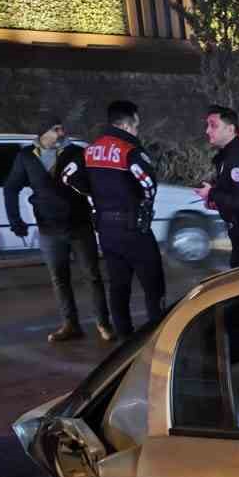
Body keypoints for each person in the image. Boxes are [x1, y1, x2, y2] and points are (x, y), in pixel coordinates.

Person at [4, 119, 113, 343]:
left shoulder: (76, 153)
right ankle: (70, 325)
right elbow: (11, 187)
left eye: (63, 128)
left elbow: (96, 185)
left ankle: (103, 323)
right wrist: (15, 221)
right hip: (49, 229)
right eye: (56, 129)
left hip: (80, 225)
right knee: (59, 279)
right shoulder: (27, 157)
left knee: (92, 276)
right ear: (43, 132)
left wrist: (100, 213)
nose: (62, 133)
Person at [66, 100, 163, 338]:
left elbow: (68, 176)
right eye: (137, 124)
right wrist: (144, 202)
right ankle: (158, 336)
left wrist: (92, 193)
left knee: (119, 286)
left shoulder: (90, 150)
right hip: (133, 228)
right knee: (153, 285)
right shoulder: (129, 150)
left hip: (107, 230)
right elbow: (148, 183)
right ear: (128, 123)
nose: (138, 129)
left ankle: (124, 339)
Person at [198, 106, 239, 268]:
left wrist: (212, 193)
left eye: (213, 125)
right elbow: (236, 195)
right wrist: (214, 201)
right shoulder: (227, 155)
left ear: (230, 129)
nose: (207, 130)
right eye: (207, 125)